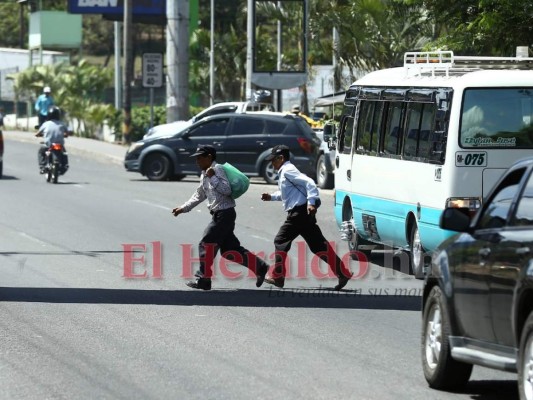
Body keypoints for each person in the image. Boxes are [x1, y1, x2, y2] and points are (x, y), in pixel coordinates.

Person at [172, 145, 270, 290]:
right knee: (230, 250)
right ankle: (260, 267)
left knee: (206, 243)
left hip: (225, 214)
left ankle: (204, 279)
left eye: (200, 157)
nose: (197, 161)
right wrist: (184, 208)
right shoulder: (205, 173)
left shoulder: (217, 170)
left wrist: (212, 177)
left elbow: (226, 190)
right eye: (196, 158)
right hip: (221, 214)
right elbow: (200, 194)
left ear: (209, 157)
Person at [261, 145, 353, 290]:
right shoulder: (285, 172)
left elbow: (310, 182)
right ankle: (343, 273)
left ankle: (277, 276)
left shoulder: (288, 170)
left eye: (273, 160)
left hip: (299, 213)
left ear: (281, 158)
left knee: (280, 240)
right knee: (319, 246)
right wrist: (271, 197)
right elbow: (289, 194)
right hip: (303, 214)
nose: (272, 163)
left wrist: (311, 202)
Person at [35, 106, 68, 173]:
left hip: (48, 145)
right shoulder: (62, 124)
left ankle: (42, 166)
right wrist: (64, 135)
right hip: (60, 144)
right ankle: (65, 165)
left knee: (41, 151)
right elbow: (66, 133)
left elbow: (37, 133)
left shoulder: (46, 124)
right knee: (64, 153)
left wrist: (38, 135)